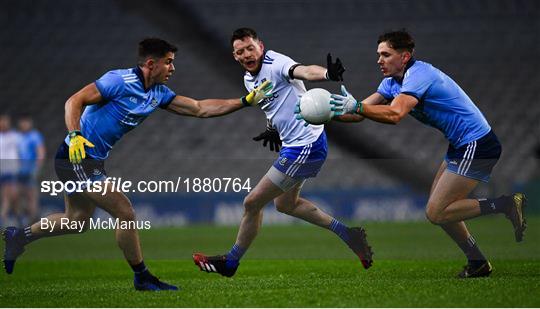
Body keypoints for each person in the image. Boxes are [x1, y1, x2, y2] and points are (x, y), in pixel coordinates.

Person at [2, 38, 273, 291]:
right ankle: (142, 276)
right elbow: (74, 101)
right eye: (168, 61)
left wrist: (244, 101)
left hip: (90, 159)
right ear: (151, 64)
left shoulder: (158, 93)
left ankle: (19, 236)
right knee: (125, 212)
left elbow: (199, 107)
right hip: (77, 156)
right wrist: (74, 136)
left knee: (77, 221)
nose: (172, 68)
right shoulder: (118, 81)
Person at [323, 29, 527, 278]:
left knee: (437, 211)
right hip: (460, 145)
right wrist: (324, 114)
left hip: (478, 144)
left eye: (386, 54)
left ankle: (506, 205)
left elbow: (395, 114)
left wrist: (357, 106)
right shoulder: (390, 83)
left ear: (405, 56)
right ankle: (478, 262)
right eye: (378, 54)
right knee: (441, 211)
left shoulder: (419, 75)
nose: (379, 60)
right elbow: (357, 113)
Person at [192, 28, 373, 278]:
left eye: (250, 48)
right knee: (286, 204)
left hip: (306, 146)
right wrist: (272, 128)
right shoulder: (249, 78)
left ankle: (230, 262)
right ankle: (349, 234)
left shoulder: (276, 62)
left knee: (252, 202)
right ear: (235, 57)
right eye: (240, 51)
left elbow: (304, 71)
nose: (246, 54)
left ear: (261, 47)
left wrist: (327, 74)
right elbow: (275, 105)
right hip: (295, 144)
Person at [16, 115, 46, 226]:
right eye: (23, 122)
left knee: (31, 196)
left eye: (26, 122)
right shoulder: (17, 136)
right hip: (18, 171)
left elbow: (41, 152)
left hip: (30, 170)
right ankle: (21, 219)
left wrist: (37, 167)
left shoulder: (35, 136)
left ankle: (33, 220)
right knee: (17, 196)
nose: (24, 124)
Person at [0, 114, 20, 227]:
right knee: (9, 196)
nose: (4, 124)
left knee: (11, 196)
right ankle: (17, 218)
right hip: (2, 170)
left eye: (5, 121)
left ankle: (4, 218)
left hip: (11, 171)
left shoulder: (14, 136)